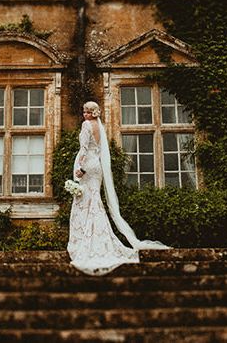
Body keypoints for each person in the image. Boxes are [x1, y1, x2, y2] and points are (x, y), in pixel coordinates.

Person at [67, 101, 168, 275]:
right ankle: (99, 238)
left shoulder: (86, 125)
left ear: (92, 113)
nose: (84, 114)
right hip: (96, 167)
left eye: (86, 111)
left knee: (84, 202)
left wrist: (81, 169)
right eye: (83, 111)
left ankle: (85, 240)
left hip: (87, 167)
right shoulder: (99, 126)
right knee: (94, 201)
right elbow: (97, 149)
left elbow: (83, 149)